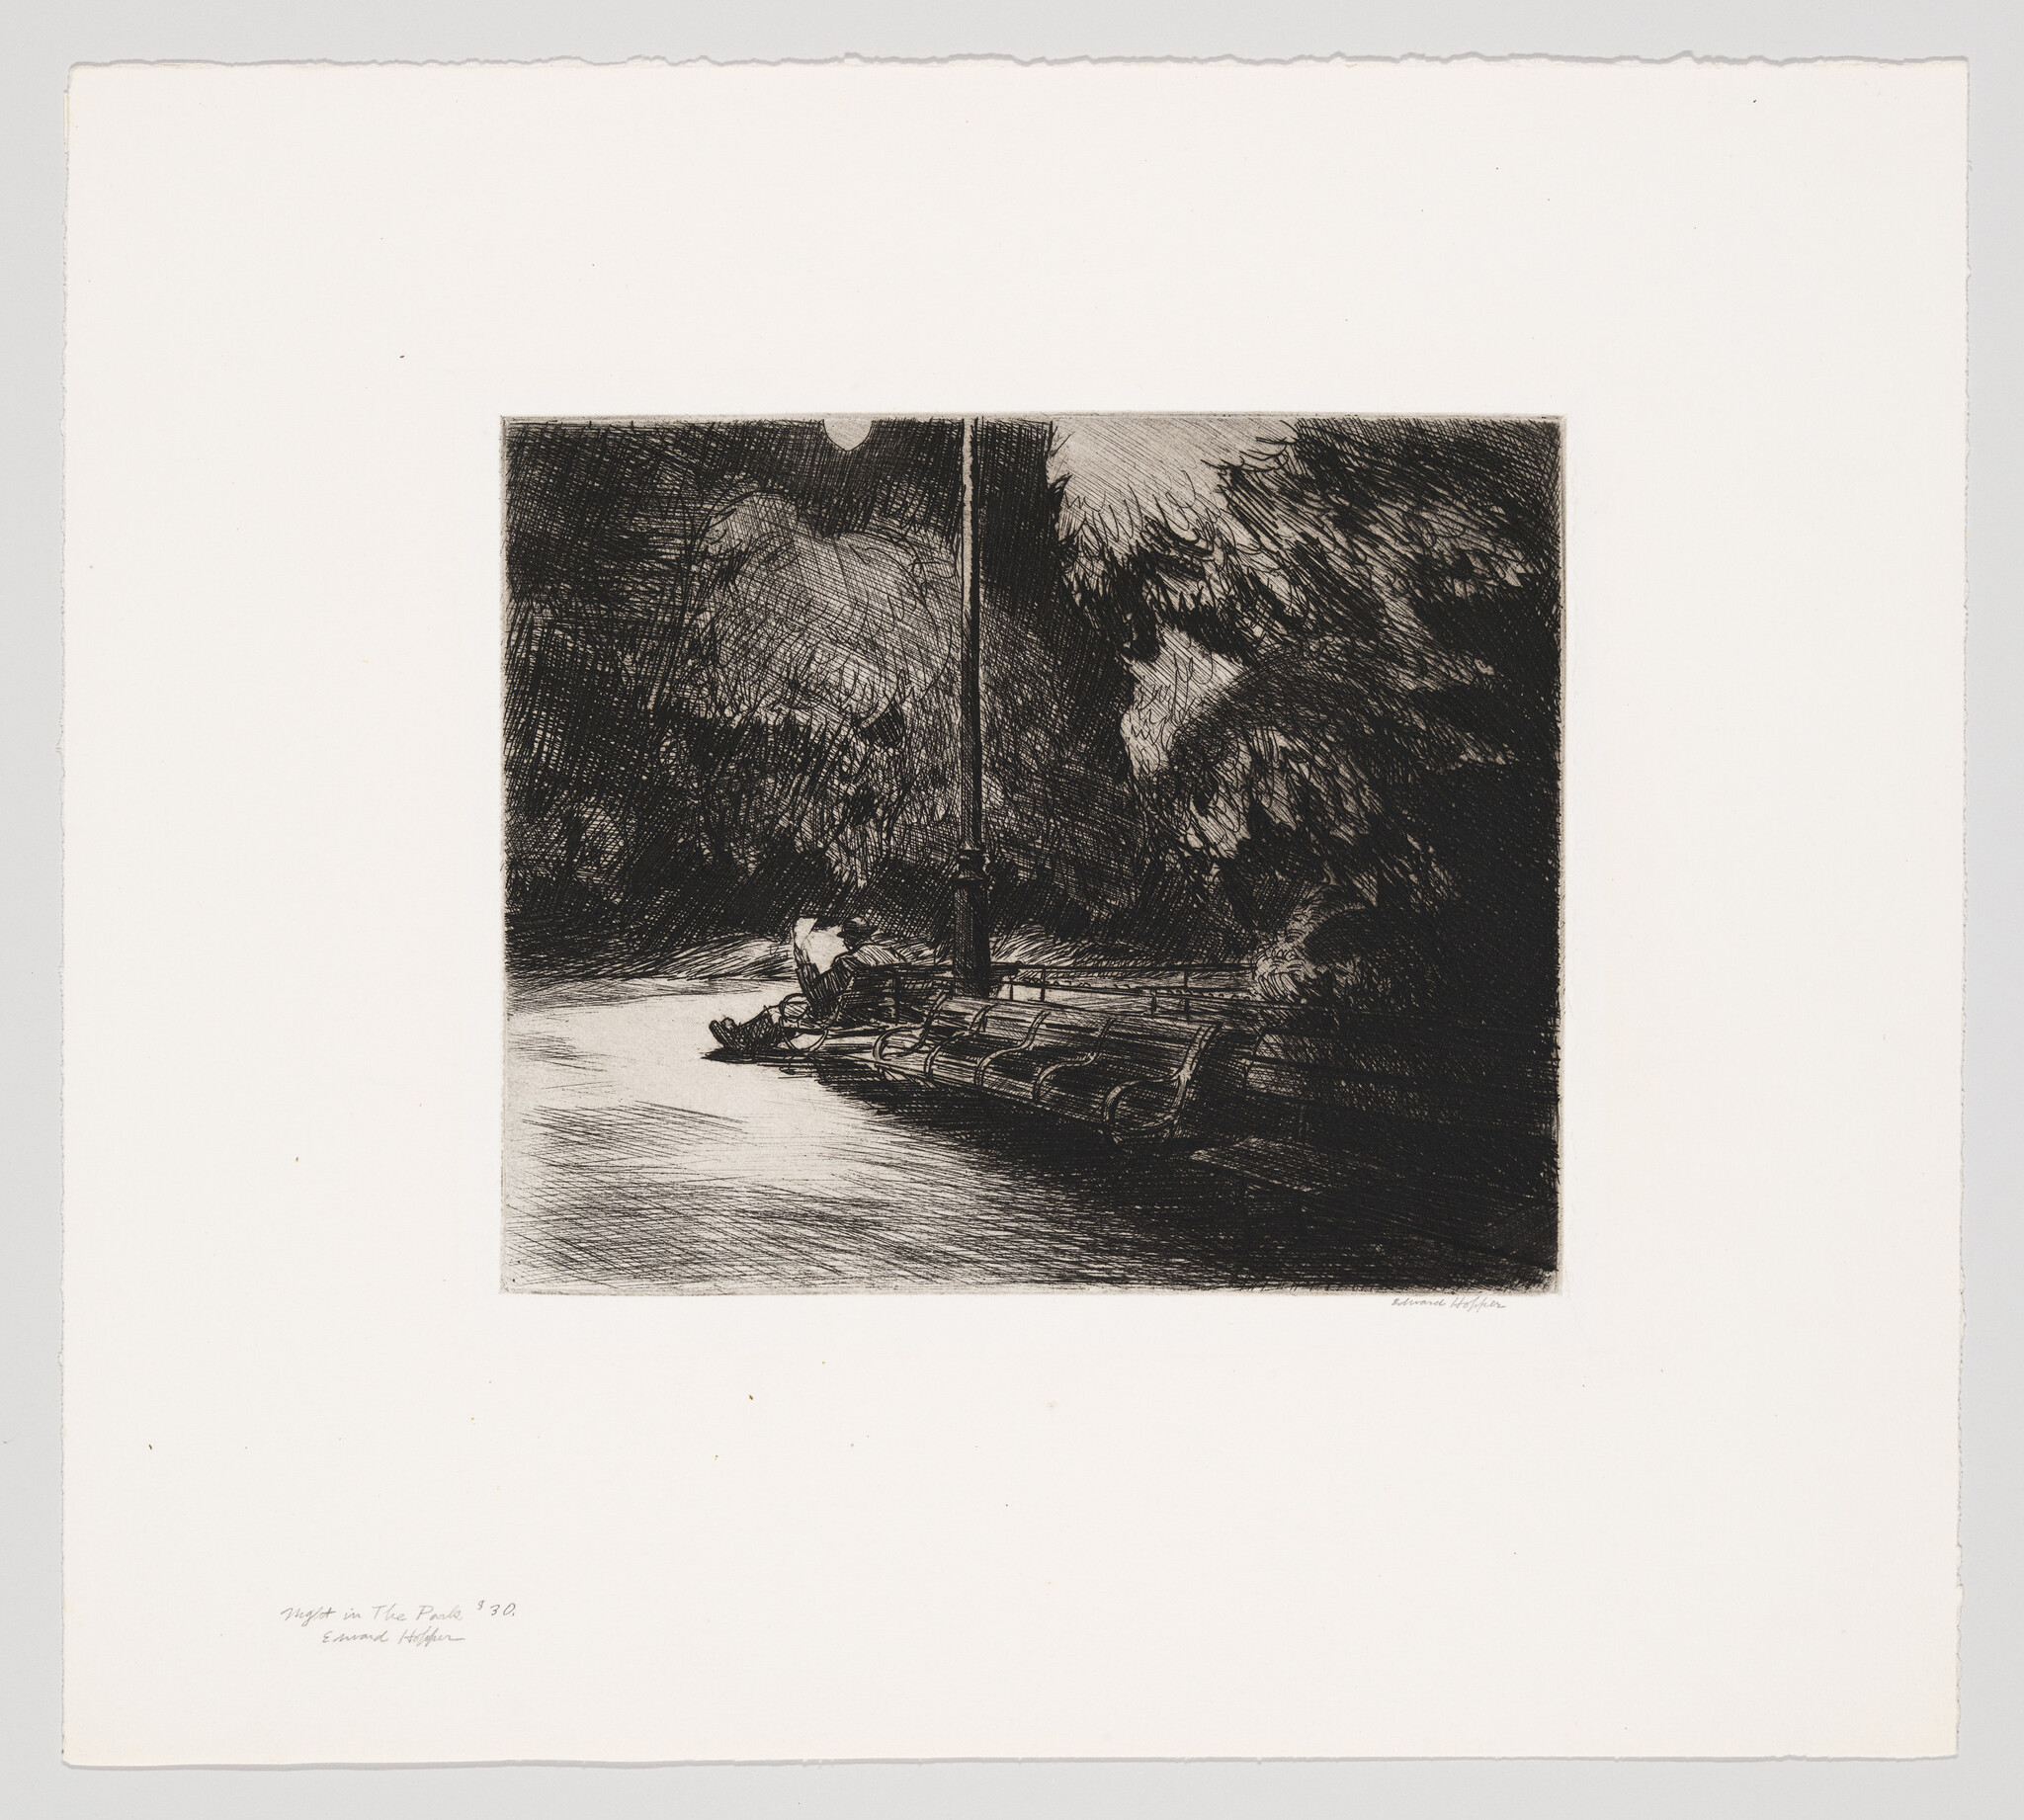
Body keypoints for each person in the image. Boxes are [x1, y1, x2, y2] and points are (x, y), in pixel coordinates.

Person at [709, 914, 904, 1057]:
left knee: (779, 1011)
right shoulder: (895, 957)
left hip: (844, 1016)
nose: (845, 942)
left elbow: (817, 994)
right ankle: (744, 1037)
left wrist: (803, 962)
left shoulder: (848, 962)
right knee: (794, 1007)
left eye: (846, 938)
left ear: (852, 938)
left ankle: (745, 1041)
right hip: (882, 1014)